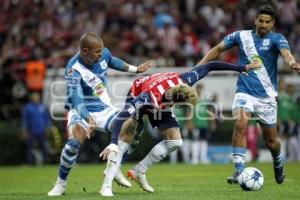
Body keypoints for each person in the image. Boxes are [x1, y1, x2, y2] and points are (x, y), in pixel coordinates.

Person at [99, 60, 259, 196]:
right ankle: (107, 184)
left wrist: (241, 68)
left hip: (162, 100)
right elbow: (121, 116)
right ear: (176, 100)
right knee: (129, 134)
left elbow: (209, 66)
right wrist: (112, 141)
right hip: (138, 90)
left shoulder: (186, 80)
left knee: (175, 141)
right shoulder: (147, 98)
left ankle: (139, 171)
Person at [197, 4, 300, 185]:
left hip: (267, 97)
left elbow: (286, 54)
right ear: (255, 20)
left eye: (267, 22)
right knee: (240, 123)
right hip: (245, 91)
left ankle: (277, 160)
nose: (263, 24)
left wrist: (292, 63)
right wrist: (200, 67)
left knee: (271, 142)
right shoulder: (241, 36)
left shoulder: (277, 38)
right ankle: (238, 170)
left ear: (272, 23)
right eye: (261, 20)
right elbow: (218, 49)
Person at [47, 32, 153, 196]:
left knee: (134, 124)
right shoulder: (73, 69)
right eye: (97, 52)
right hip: (81, 110)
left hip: (104, 109)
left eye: (101, 50)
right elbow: (76, 99)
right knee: (73, 144)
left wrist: (136, 69)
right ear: (85, 51)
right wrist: (87, 117)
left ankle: (114, 168)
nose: (100, 54)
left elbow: (113, 61)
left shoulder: (103, 53)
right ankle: (60, 184)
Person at [22, 92, 51, 165]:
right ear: (32, 98)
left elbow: (46, 118)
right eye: (34, 97)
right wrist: (24, 130)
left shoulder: (43, 107)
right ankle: (29, 162)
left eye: (37, 97)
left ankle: (45, 162)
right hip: (31, 131)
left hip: (42, 131)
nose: (36, 98)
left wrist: (47, 127)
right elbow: (25, 120)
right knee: (29, 147)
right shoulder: (28, 107)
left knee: (43, 147)